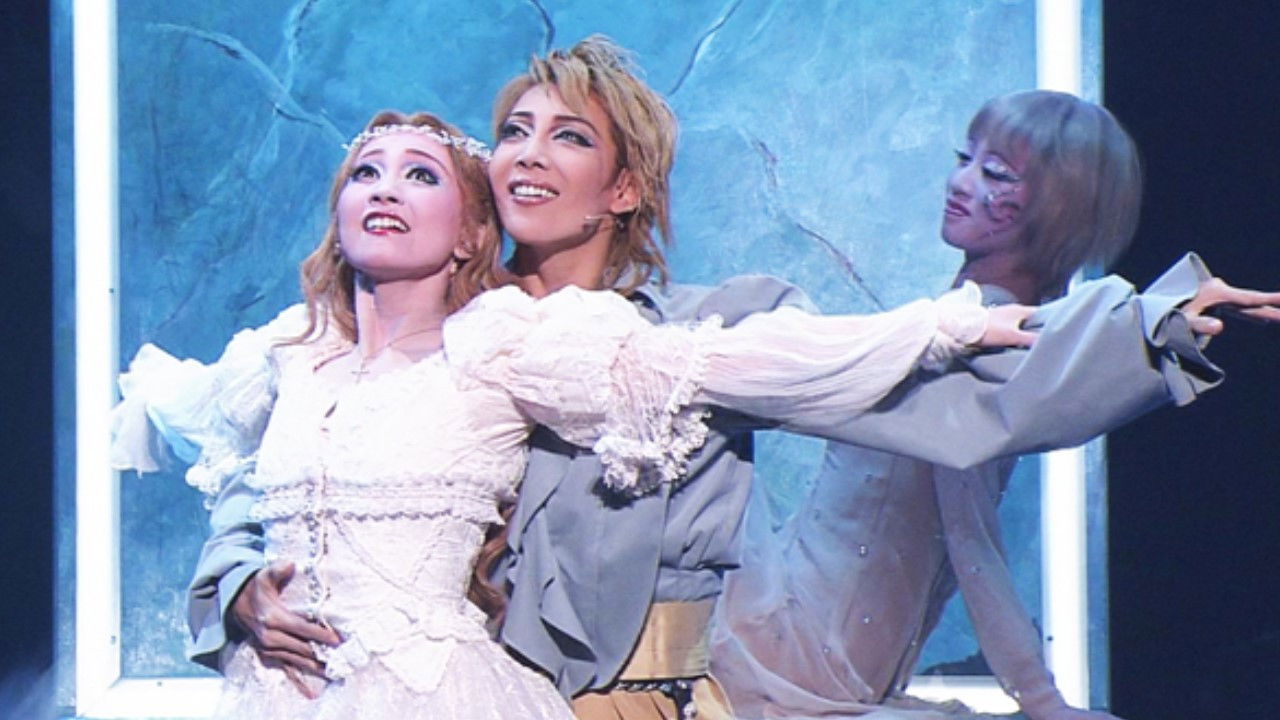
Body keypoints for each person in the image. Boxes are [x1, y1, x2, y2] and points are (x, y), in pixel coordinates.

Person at [187, 38, 1278, 720]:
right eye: (512, 132)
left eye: (568, 138)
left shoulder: (713, 329)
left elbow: (937, 408)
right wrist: (237, 591)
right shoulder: (430, 325)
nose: (526, 153)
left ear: (623, 189)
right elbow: (282, 474)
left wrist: (1138, 330)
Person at [114, 108, 1030, 718]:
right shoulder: (286, 352)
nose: (385, 189)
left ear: (471, 233)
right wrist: (239, 587)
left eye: (420, 175)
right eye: (366, 173)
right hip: (276, 696)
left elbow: (721, 364)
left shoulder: (501, 342)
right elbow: (187, 427)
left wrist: (942, 327)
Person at [707, 91, 1280, 720]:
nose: (960, 183)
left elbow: (971, 541)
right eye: (965, 159)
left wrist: (1042, 700)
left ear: (1057, 209)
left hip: (807, 660)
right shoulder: (959, 325)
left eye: (996, 174)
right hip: (795, 628)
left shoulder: (990, 345)